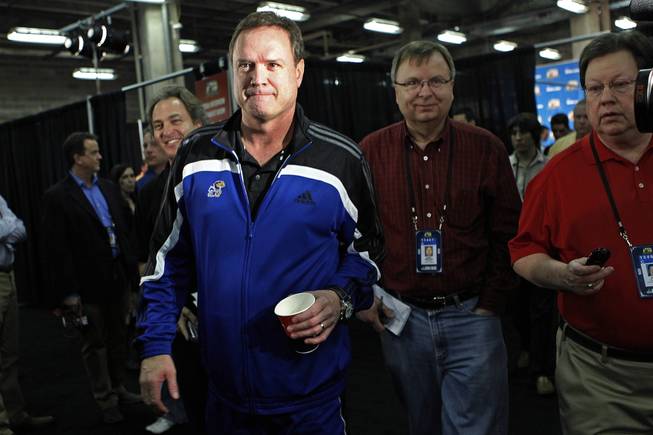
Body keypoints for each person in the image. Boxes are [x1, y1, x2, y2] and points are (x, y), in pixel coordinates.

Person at [137, 11, 384, 433]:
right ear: (232, 72)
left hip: (312, 400)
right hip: (224, 398)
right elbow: (166, 262)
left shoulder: (340, 160)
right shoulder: (196, 156)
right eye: (245, 64)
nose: (258, 76)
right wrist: (156, 345)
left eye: (273, 64)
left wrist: (339, 299)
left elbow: (369, 253)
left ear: (299, 71)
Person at [359, 40, 520, 435]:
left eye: (436, 81)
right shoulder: (369, 152)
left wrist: (490, 304)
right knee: (422, 424)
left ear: (452, 87)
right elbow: (353, 234)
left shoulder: (486, 148)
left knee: (474, 428)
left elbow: (509, 232)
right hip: (402, 319)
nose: (425, 92)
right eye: (412, 82)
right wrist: (364, 296)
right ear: (394, 90)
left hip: (472, 317)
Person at [509, 31, 653, 435]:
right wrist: (562, 276)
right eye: (594, 88)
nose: (605, 97)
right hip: (601, 376)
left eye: (620, 85)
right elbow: (524, 253)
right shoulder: (557, 174)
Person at [41, 132, 141, 425]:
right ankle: (104, 397)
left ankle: (119, 386)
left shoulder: (109, 189)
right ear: (78, 158)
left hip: (116, 278)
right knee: (95, 344)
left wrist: (131, 274)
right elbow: (56, 250)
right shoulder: (57, 197)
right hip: (87, 285)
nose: (100, 157)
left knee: (118, 337)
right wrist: (69, 294)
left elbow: (121, 232)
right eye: (94, 152)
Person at [135, 86, 207, 434]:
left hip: (233, 321)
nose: (166, 131)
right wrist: (174, 309)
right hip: (180, 323)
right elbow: (145, 260)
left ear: (198, 122)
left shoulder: (229, 174)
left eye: (175, 120)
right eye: (157, 124)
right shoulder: (149, 192)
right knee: (197, 406)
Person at [506, 113, 555, 395]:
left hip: (541, 246)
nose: (518, 138)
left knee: (541, 310)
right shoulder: (505, 165)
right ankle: (526, 348)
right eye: (514, 133)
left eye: (523, 132)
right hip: (512, 247)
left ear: (534, 135)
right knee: (517, 308)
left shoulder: (548, 165)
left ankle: (542, 370)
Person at [0, 195, 55, 435]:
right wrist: (6, 227)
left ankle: (15, 414)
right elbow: (10, 227)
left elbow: (20, 229)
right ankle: (2, 425)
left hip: (8, 275)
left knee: (9, 355)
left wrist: (5, 228)